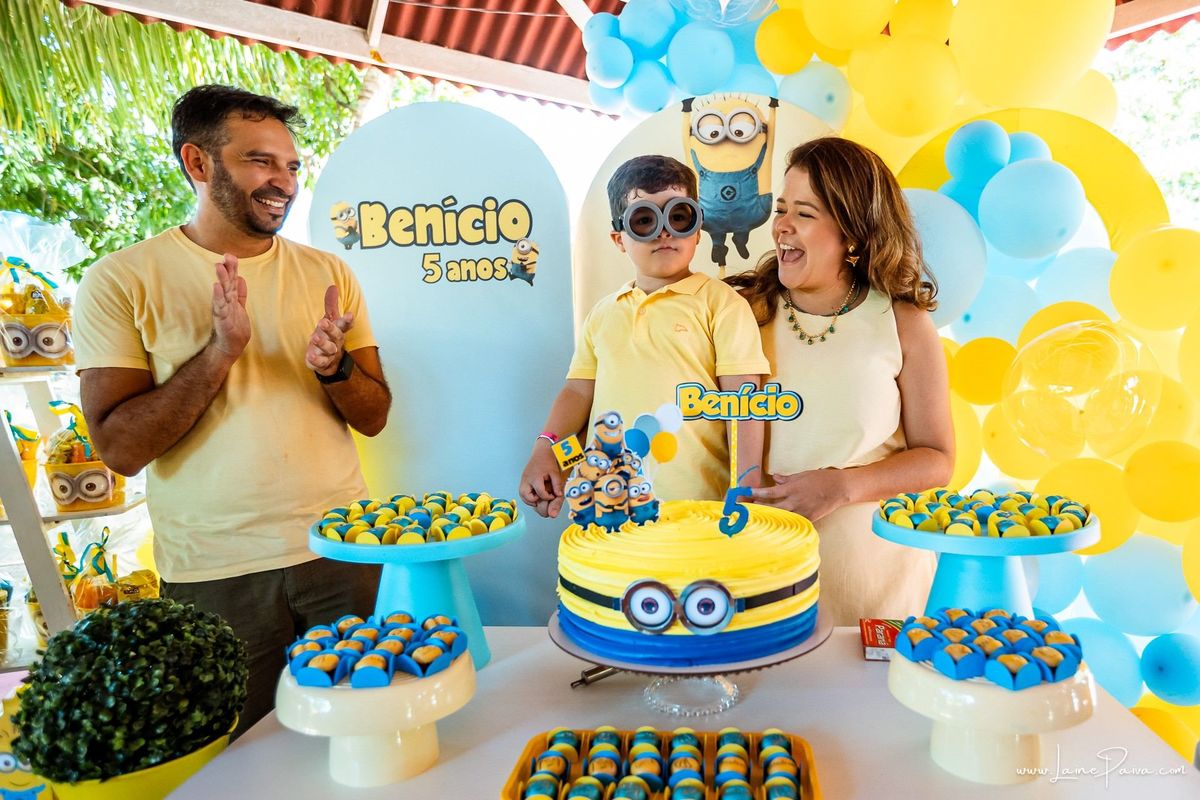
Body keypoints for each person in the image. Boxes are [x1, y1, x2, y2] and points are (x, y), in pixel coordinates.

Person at [73, 85, 392, 736]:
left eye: (291, 165)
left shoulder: (329, 273)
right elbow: (120, 449)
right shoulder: (120, 281)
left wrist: (335, 368)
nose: (283, 181)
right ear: (198, 163)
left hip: (342, 553)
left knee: (365, 733)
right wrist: (220, 353)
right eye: (259, 161)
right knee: (240, 754)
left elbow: (374, 415)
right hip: (215, 577)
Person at [728, 137, 954, 625]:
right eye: (781, 208)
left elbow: (938, 459)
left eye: (804, 213)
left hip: (878, 589)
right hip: (765, 580)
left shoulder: (904, 322)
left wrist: (842, 487)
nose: (781, 226)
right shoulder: (743, 314)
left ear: (851, 232)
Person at [520, 155, 769, 517]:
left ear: (698, 229)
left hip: (695, 511)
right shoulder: (603, 314)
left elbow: (743, 404)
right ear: (619, 238)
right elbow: (578, 396)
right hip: (608, 507)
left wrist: (745, 487)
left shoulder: (721, 304)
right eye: (644, 220)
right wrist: (548, 453)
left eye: (678, 216)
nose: (664, 231)